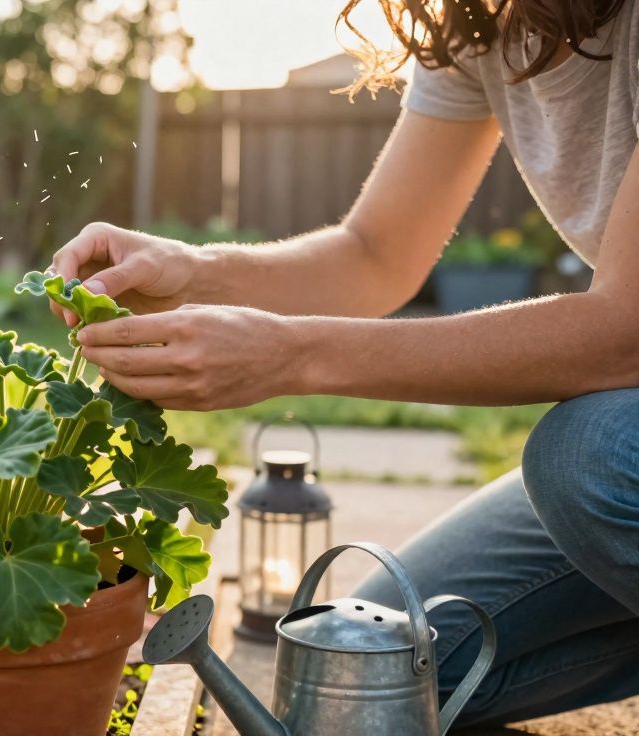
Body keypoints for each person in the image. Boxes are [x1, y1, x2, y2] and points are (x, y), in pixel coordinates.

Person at [50, 0, 639, 727]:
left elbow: (624, 332)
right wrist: (191, 269)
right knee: (379, 660)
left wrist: (292, 355)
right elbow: (376, 254)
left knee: (588, 456)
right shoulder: (480, 23)